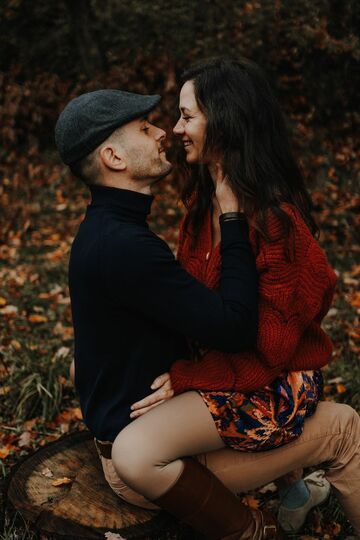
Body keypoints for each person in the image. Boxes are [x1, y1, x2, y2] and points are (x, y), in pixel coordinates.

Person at [55, 86, 359, 539]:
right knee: (345, 429)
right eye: (145, 127)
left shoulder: (107, 232)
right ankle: (252, 529)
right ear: (114, 157)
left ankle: (293, 491)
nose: (164, 133)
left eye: (176, 119)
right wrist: (232, 220)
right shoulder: (125, 247)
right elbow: (233, 327)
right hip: (155, 460)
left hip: (153, 430)